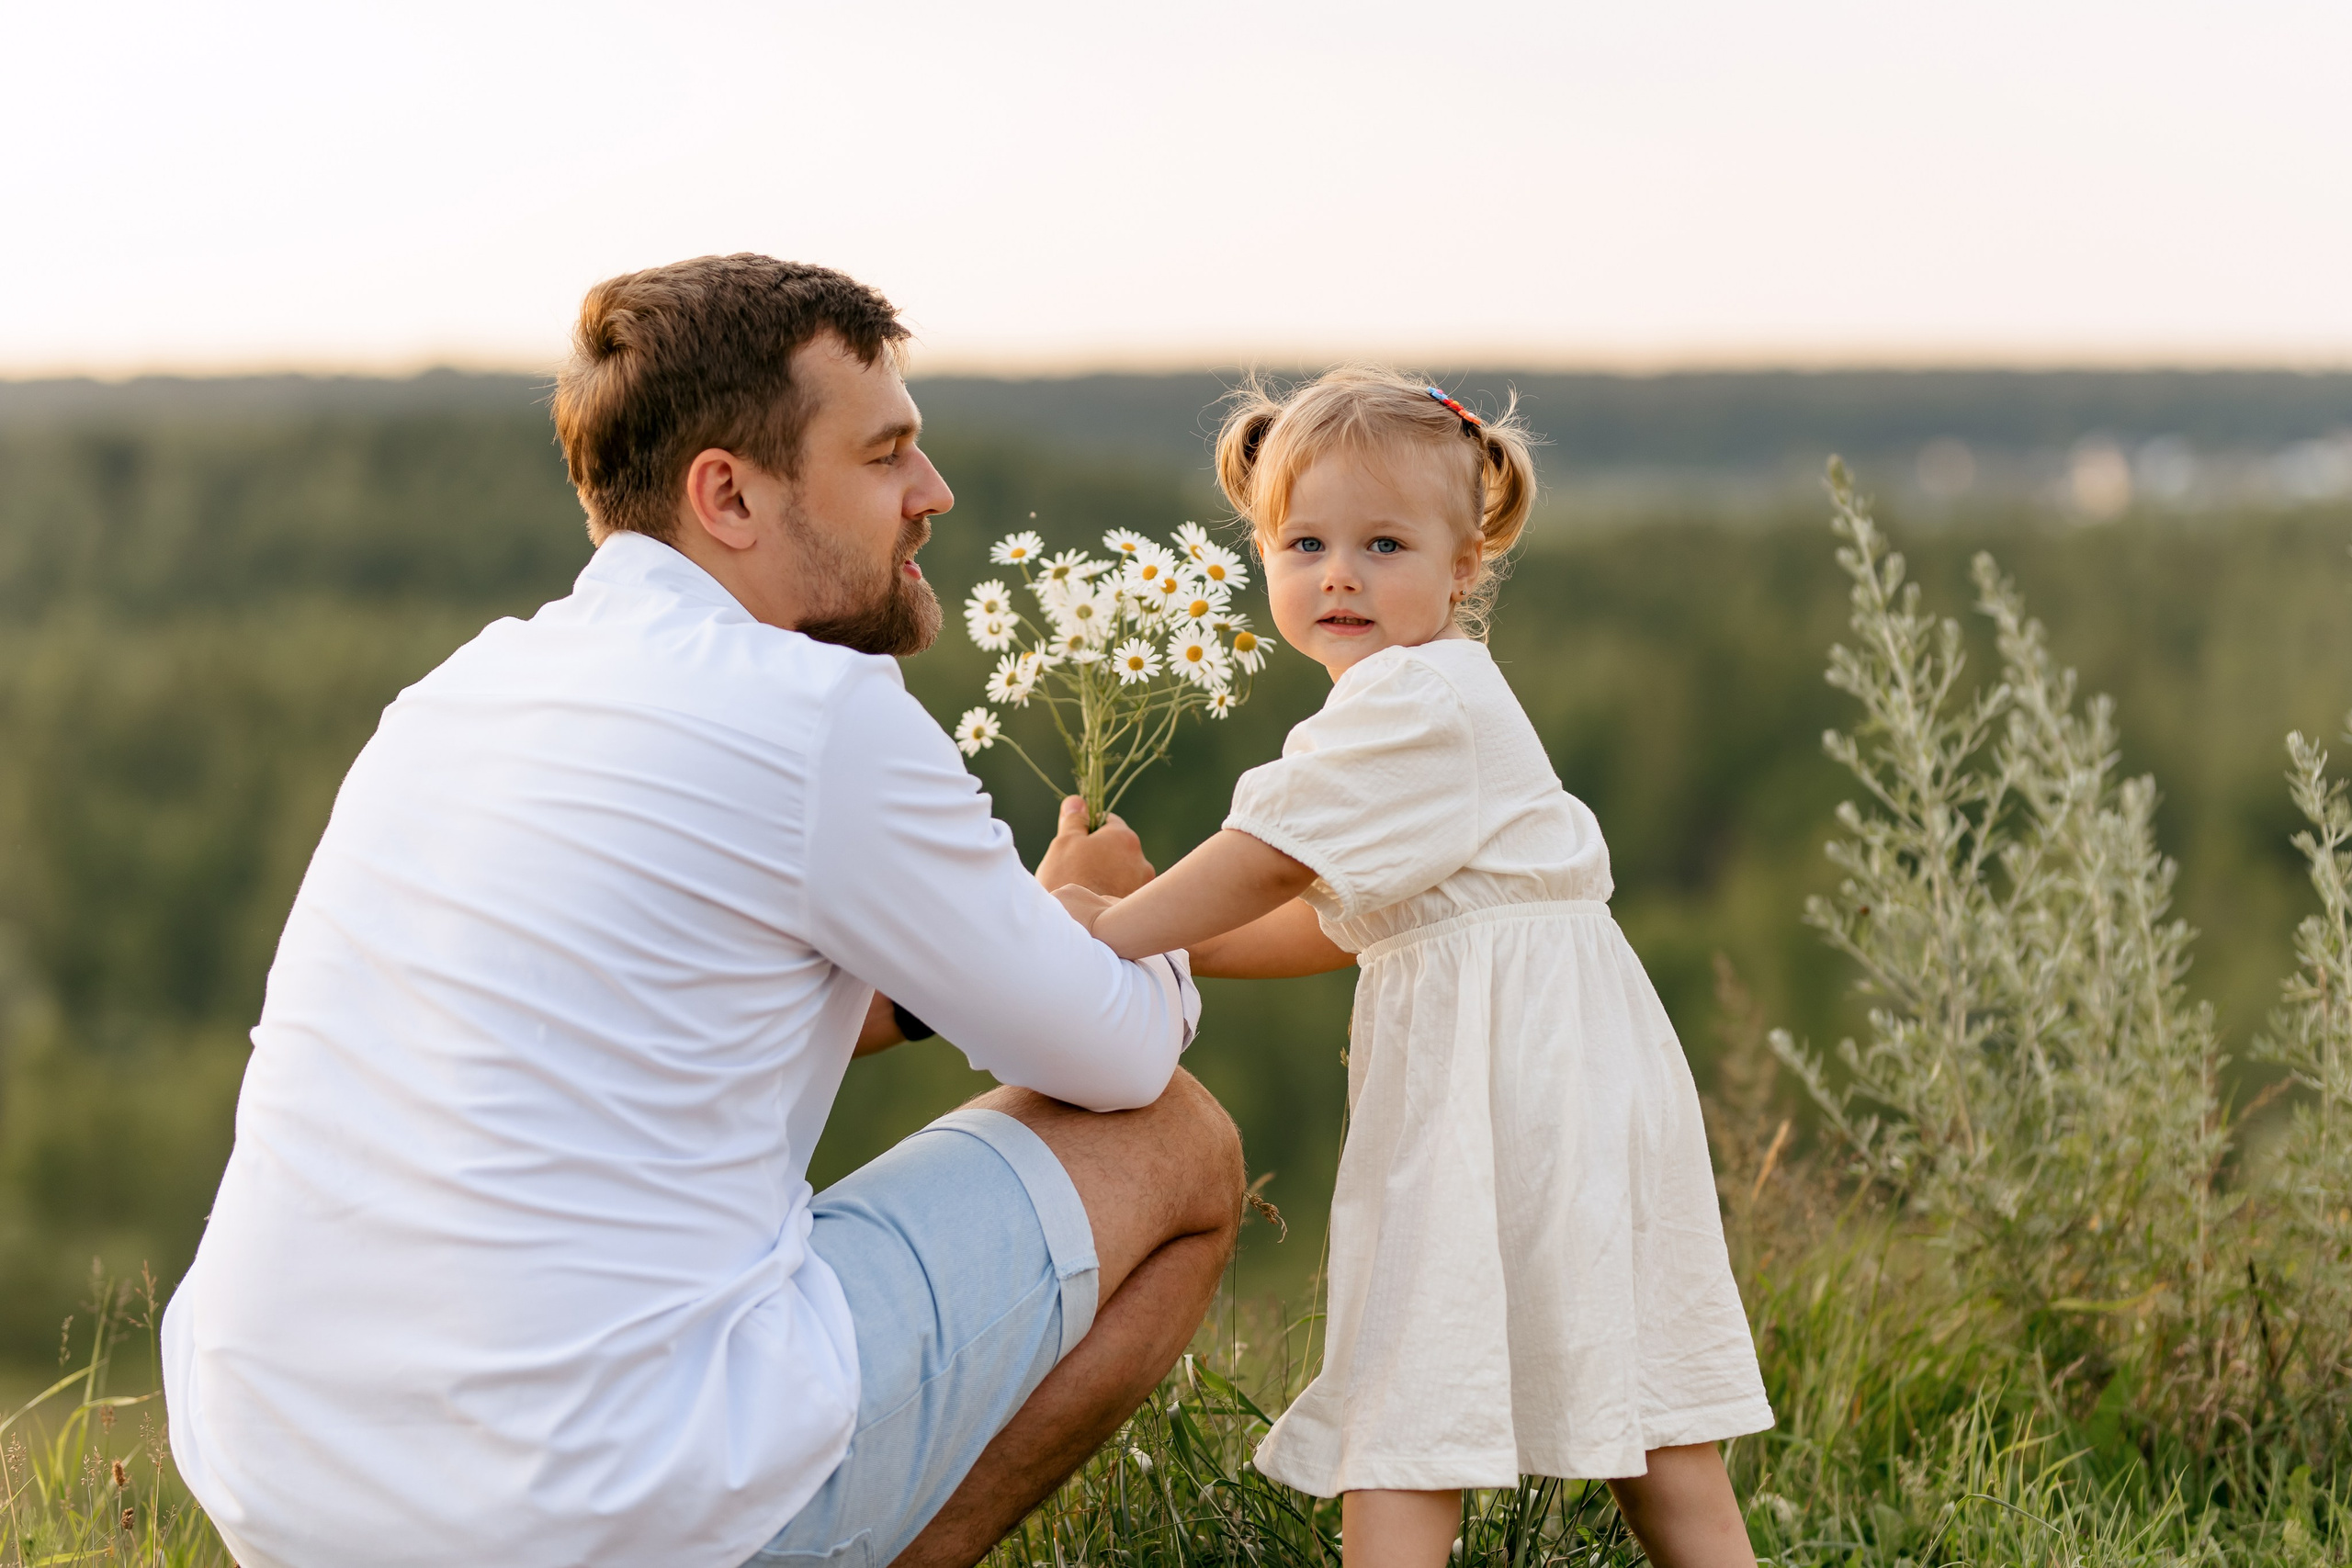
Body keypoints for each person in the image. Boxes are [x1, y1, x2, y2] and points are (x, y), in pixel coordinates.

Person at [162, 254, 1244, 1568]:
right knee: (1179, 1148)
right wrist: (1129, 933)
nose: (933, 494)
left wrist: (982, 955)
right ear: (727, 493)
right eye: (887, 453)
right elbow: (1118, 1054)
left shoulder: (454, 697)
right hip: (593, 1507)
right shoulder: (818, 715)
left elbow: (641, 1021)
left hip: (288, 1490)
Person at [1057, 368, 1773, 1568]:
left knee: (1406, 1390)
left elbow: (1268, 864)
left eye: (1383, 543)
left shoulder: (1413, 699)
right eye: (1307, 542)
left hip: (1514, 1083)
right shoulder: (1404, 706)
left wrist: (1097, 935)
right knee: (1645, 1409)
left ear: (1463, 565)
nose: (1340, 573)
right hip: (1564, 1069)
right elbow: (1336, 922)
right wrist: (1155, 920)